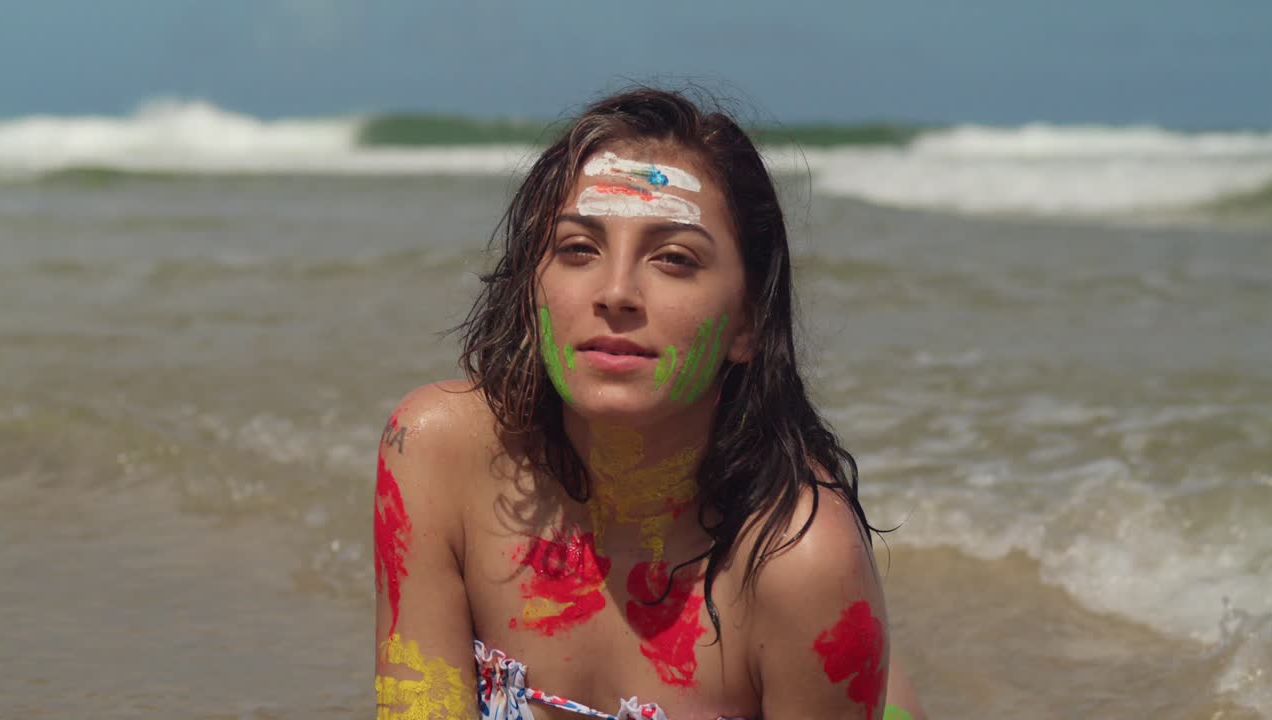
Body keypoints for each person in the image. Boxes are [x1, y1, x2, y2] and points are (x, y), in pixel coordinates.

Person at [373, 87, 927, 720]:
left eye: (673, 258)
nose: (615, 292)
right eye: (578, 248)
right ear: (531, 292)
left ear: (749, 322)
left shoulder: (799, 561)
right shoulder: (436, 455)